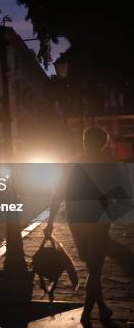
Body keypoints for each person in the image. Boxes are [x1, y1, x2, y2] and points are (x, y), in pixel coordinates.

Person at [44, 126, 114, 325]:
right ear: (103, 143)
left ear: (84, 141)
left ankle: (101, 309)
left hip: (76, 220)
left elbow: (57, 194)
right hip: (98, 221)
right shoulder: (108, 164)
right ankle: (87, 313)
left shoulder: (70, 164)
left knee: (93, 266)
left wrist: (50, 223)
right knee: (95, 267)